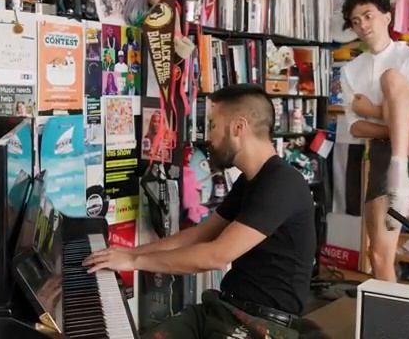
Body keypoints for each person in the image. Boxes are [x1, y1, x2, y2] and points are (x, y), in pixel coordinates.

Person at [84, 84, 324, 338]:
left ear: (238, 128)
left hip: (263, 325)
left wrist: (133, 262)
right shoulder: (252, 180)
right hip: (225, 310)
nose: (209, 136)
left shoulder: (281, 183)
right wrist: (129, 253)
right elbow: (200, 234)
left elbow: (216, 256)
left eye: (213, 124)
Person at [341, 0, 409, 281]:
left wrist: (373, 110)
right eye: (355, 21)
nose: (362, 24)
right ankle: (389, 319)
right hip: (382, 152)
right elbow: (355, 127)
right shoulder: (350, 70)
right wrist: (396, 123)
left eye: (368, 15)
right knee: (378, 252)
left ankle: (400, 176)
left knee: (391, 79)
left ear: (387, 16)